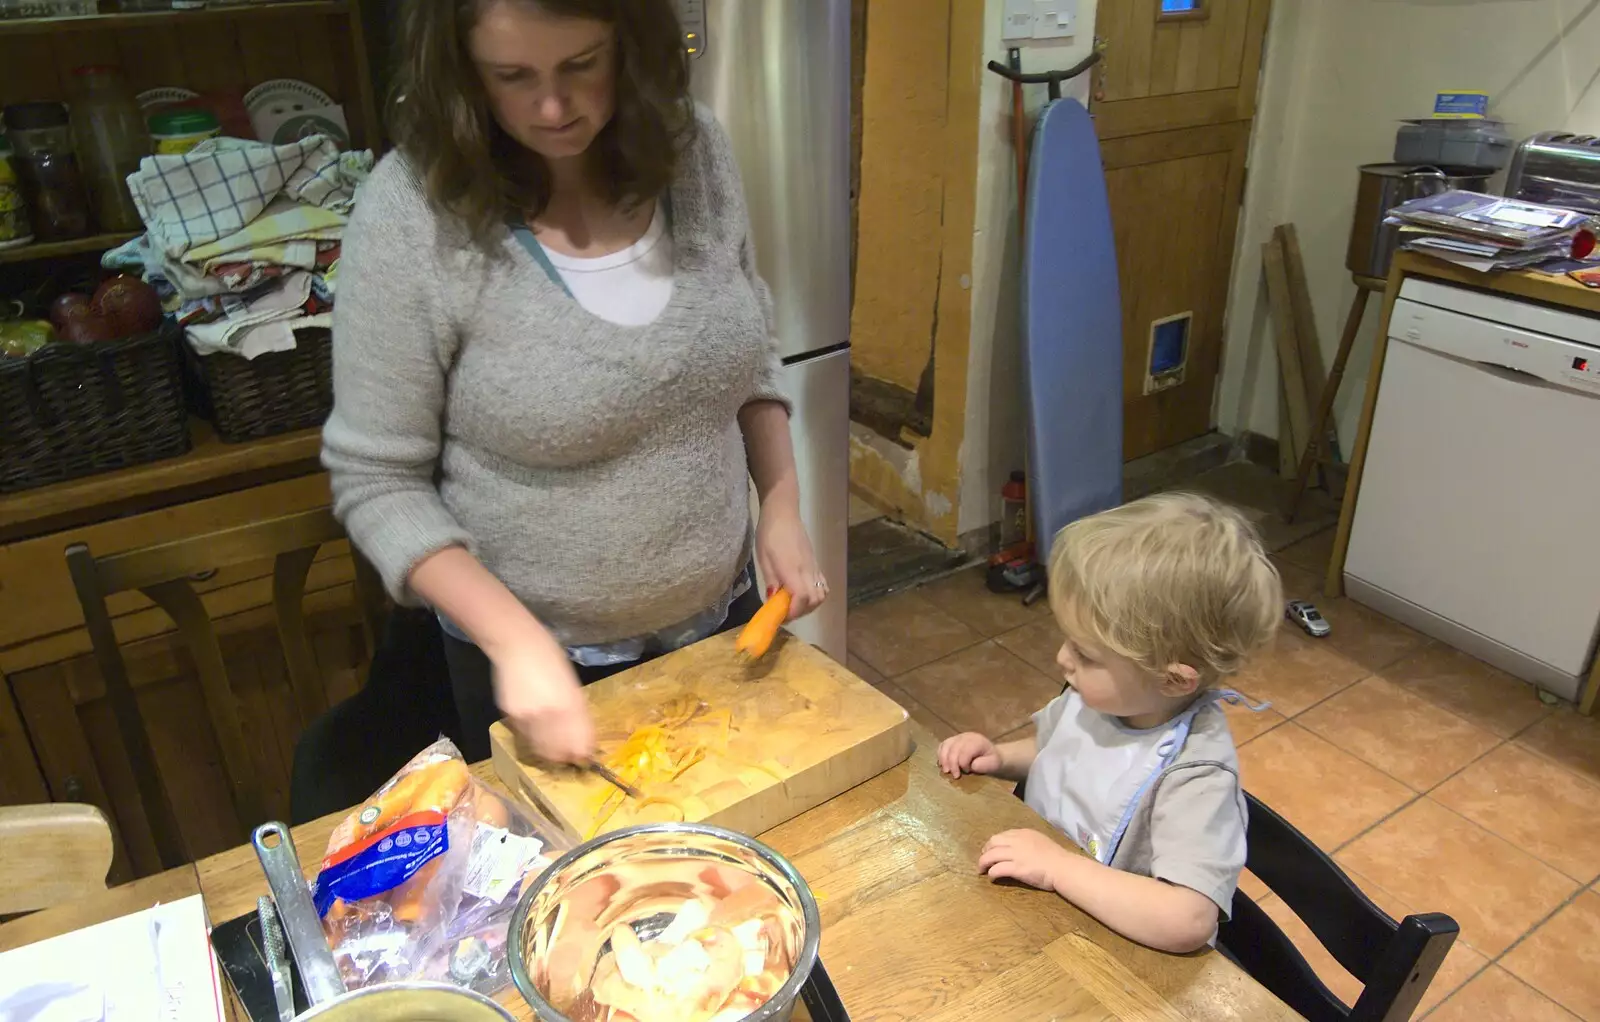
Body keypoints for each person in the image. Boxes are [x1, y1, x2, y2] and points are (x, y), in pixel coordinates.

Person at [321, 0, 827, 768]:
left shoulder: (695, 152)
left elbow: (747, 345)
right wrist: (513, 637)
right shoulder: (413, 211)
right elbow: (376, 479)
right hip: (535, 676)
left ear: (632, 45)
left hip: (725, 631)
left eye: (582, 65)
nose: (553, 107)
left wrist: (782, 501)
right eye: (512, 76)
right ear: (461, 71)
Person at [936, 493, 1281, 953]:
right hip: (1043, 922)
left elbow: (1187, 920)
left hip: (1117, 961)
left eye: (1085, 654)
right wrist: (999, 757)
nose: (1062, 659)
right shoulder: (1105, 698)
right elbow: (1056, 751)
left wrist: (1058, 868)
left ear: (1173, 680)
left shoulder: (1195, 778)